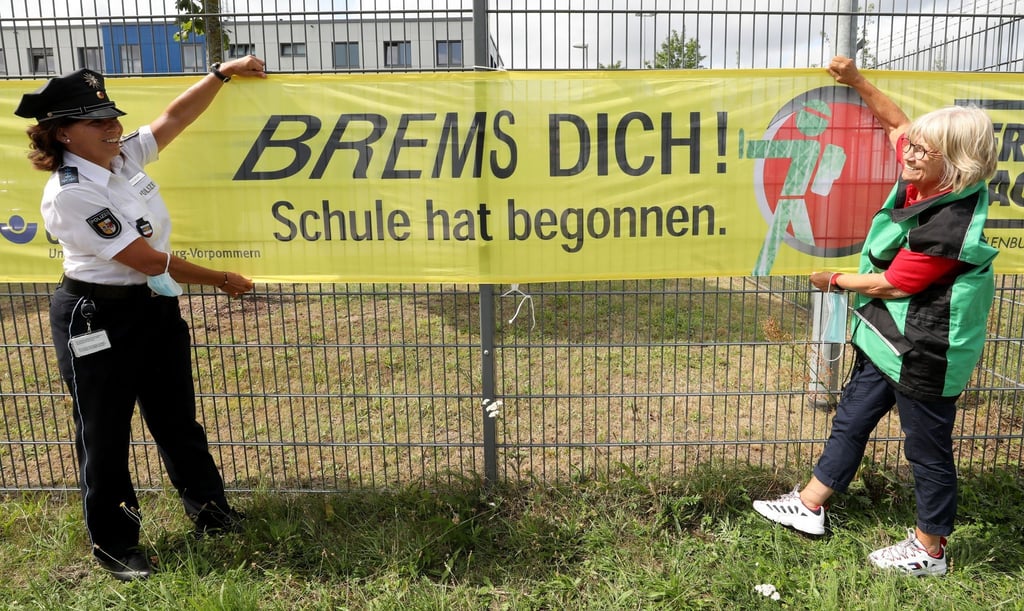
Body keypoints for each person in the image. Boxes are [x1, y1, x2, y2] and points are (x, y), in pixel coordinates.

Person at [14, 56, 267, 581]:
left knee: (176, 418)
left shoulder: (119, 158)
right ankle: (115, 545)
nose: (113, 126)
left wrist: (220, 73)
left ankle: (212, 513)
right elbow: (147, 260)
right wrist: (222, 280)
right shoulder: (73, 191)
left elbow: (174, 119)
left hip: (154, 306)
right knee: (104, 434)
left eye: (112, 116)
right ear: (63, 134)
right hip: (96, 316)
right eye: (97, 121)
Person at [752, 56, 999, 577]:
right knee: (854, 415)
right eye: (911, 146)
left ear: (954, 165)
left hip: (927, 346)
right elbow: (896, 123)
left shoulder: (949, 221)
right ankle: (810, 504)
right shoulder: (926, 174)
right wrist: (857, 81)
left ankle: (929, 550)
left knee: (926, 449)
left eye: (920, 150)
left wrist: (833, 281)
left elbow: (897, 282)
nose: (906, 151)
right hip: (889, 333)